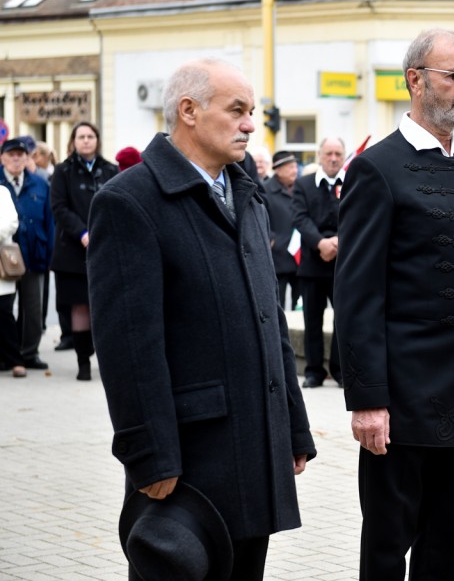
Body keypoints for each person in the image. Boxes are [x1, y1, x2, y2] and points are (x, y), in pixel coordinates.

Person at [88, 58, 317, 577]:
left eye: (251, 111)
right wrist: (149, 456)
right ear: (189, 111)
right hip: (187, 460)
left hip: (254, 448)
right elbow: (129, 347)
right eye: (237, 110)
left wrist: (293, 428)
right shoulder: (129, 201)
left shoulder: (246, 196)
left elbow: (270, 321)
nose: (250, 125)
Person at [335, 28, 454, 581]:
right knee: (388, 543)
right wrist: (367, 400)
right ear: (415, 80)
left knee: (452, 543)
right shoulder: (376, 168)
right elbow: (357, 294)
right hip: (402, 398)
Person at [50, 121, 120, 380]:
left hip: (106, 248)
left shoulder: (110, 169)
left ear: (97, 140)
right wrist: (82, 233)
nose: (86, 140)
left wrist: (103, 232)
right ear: (73, 141)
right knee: (80, 307)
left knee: (105, 307)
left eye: (90, 136)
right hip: (73, 250)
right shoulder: (63, 171)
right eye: (81, 137)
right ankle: (83, 363)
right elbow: (59, 207)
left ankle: (107, 361)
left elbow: (118, 204)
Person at [292, 136, 345, 388]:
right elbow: (300, 218)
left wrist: (338, 242)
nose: (333, 159)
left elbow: (359, 216)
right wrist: (320, 243)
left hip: (342, 265)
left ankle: (340, 369)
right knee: (312, 320)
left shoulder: (353, 183)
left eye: (338, 154)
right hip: (312, 264)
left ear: (344, 157)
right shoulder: (303, 184)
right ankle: (314, 371)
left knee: (343, 320)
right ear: (320, 156)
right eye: (328, 154)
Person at [0, 137, 53, 371]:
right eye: (11, 154)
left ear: (27, 158)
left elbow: (50, 221)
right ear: (2, 158)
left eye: (20, 155)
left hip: (34, 254)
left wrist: (49, 253)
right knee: (4, 308)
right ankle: (7, 355)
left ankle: (29, 353)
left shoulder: (40, 184)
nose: (16, 159)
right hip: (4, 258)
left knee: (33, 309)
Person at [264, 150, 300, 309]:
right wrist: (271, 239)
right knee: (277, 306)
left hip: (300, 259)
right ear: (278, 170)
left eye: (296, 166)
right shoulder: (265, 190)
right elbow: (261, 219)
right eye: (290, 167)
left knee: (300, 306)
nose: (295, 170)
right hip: (277, 258)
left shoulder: (301, 187)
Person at [0, 186, 25, 377]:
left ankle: (15, 360)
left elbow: (11, 222)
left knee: (4, 312)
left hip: (2, 262)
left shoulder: (2, 192)